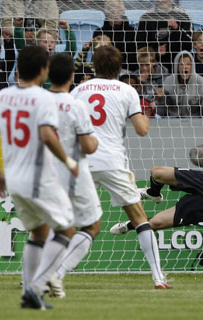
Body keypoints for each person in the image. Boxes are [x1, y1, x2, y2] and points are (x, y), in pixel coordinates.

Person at [0, 45, 78, 309]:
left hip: (13, 178)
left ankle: (29, 292)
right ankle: (36, 288)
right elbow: (48, 136)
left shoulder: (1, 97)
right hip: (39, 176)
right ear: (43, 70)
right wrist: (69, 161)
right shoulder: (43, 98)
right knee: (68, 227)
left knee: (39, 232)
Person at [70, 45, 170, 289]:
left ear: (95, 65)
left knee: (65, 219)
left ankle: (40, 273)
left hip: (83, 159)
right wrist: (144, 113)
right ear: (119, 66)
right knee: (138, 217)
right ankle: (158, 278)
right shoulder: (127, 90)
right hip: (113, 162)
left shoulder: (79, 90)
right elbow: (142, 130)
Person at [45, 53, 101, 298]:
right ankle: (57, 273)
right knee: (91, 225)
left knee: (51, 227)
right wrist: (96, 141)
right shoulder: (76, 105)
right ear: (72, 76)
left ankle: (35, 276)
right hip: (74, 172)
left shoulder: (39, 102)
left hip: (46, 173)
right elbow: (87, 146)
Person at [136, 0, 192, 71]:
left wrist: (176, 27)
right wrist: (156, 52)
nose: (161, 0)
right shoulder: (147, 16)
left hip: (178, 67)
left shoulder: (183, 15)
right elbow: (140, 45)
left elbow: (189, 45)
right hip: (153, 68)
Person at [157, 51, 203, 117]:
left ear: (192, 66)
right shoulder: (168, 81)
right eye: (181, 64)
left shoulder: (200, 81)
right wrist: (160, 99)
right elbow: (162, 111)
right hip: (173, 120)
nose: (185, 67)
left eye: (188, 64)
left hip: (195, 120)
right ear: (176, 66)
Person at [93, 0, 138, 72]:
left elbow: (133, 57)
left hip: (126, 70)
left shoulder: (132, 32)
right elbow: (97, 55)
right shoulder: (99, 32)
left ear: (123, 12)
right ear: (107, 14)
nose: (116, 14)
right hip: (104, 69)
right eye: (113, 12)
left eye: (119, 11)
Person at [132, 47, 169, 113]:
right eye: (141, 65)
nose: (144, 68)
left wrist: (157, 103)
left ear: (153, 62)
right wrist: (138, 84)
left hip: (159, 107)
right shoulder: (135, 76)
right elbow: (132, 98)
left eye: (147, 65)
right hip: (142, 106)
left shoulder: (164, 74)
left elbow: (168, 97)